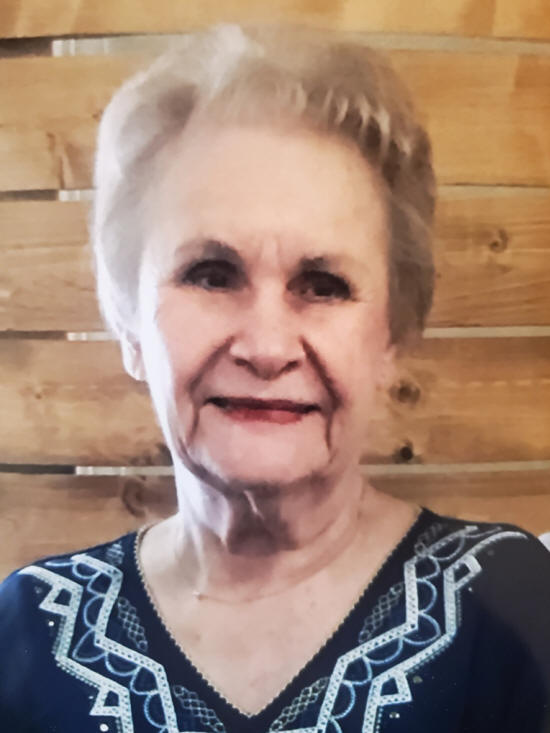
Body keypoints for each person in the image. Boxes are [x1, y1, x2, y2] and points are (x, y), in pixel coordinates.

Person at [1, 23, 550, 733]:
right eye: (210, 274)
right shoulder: (28, 634)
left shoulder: (516, 610)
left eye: (323, 284)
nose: (266, 348)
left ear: (391, 336)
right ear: (130, 326)